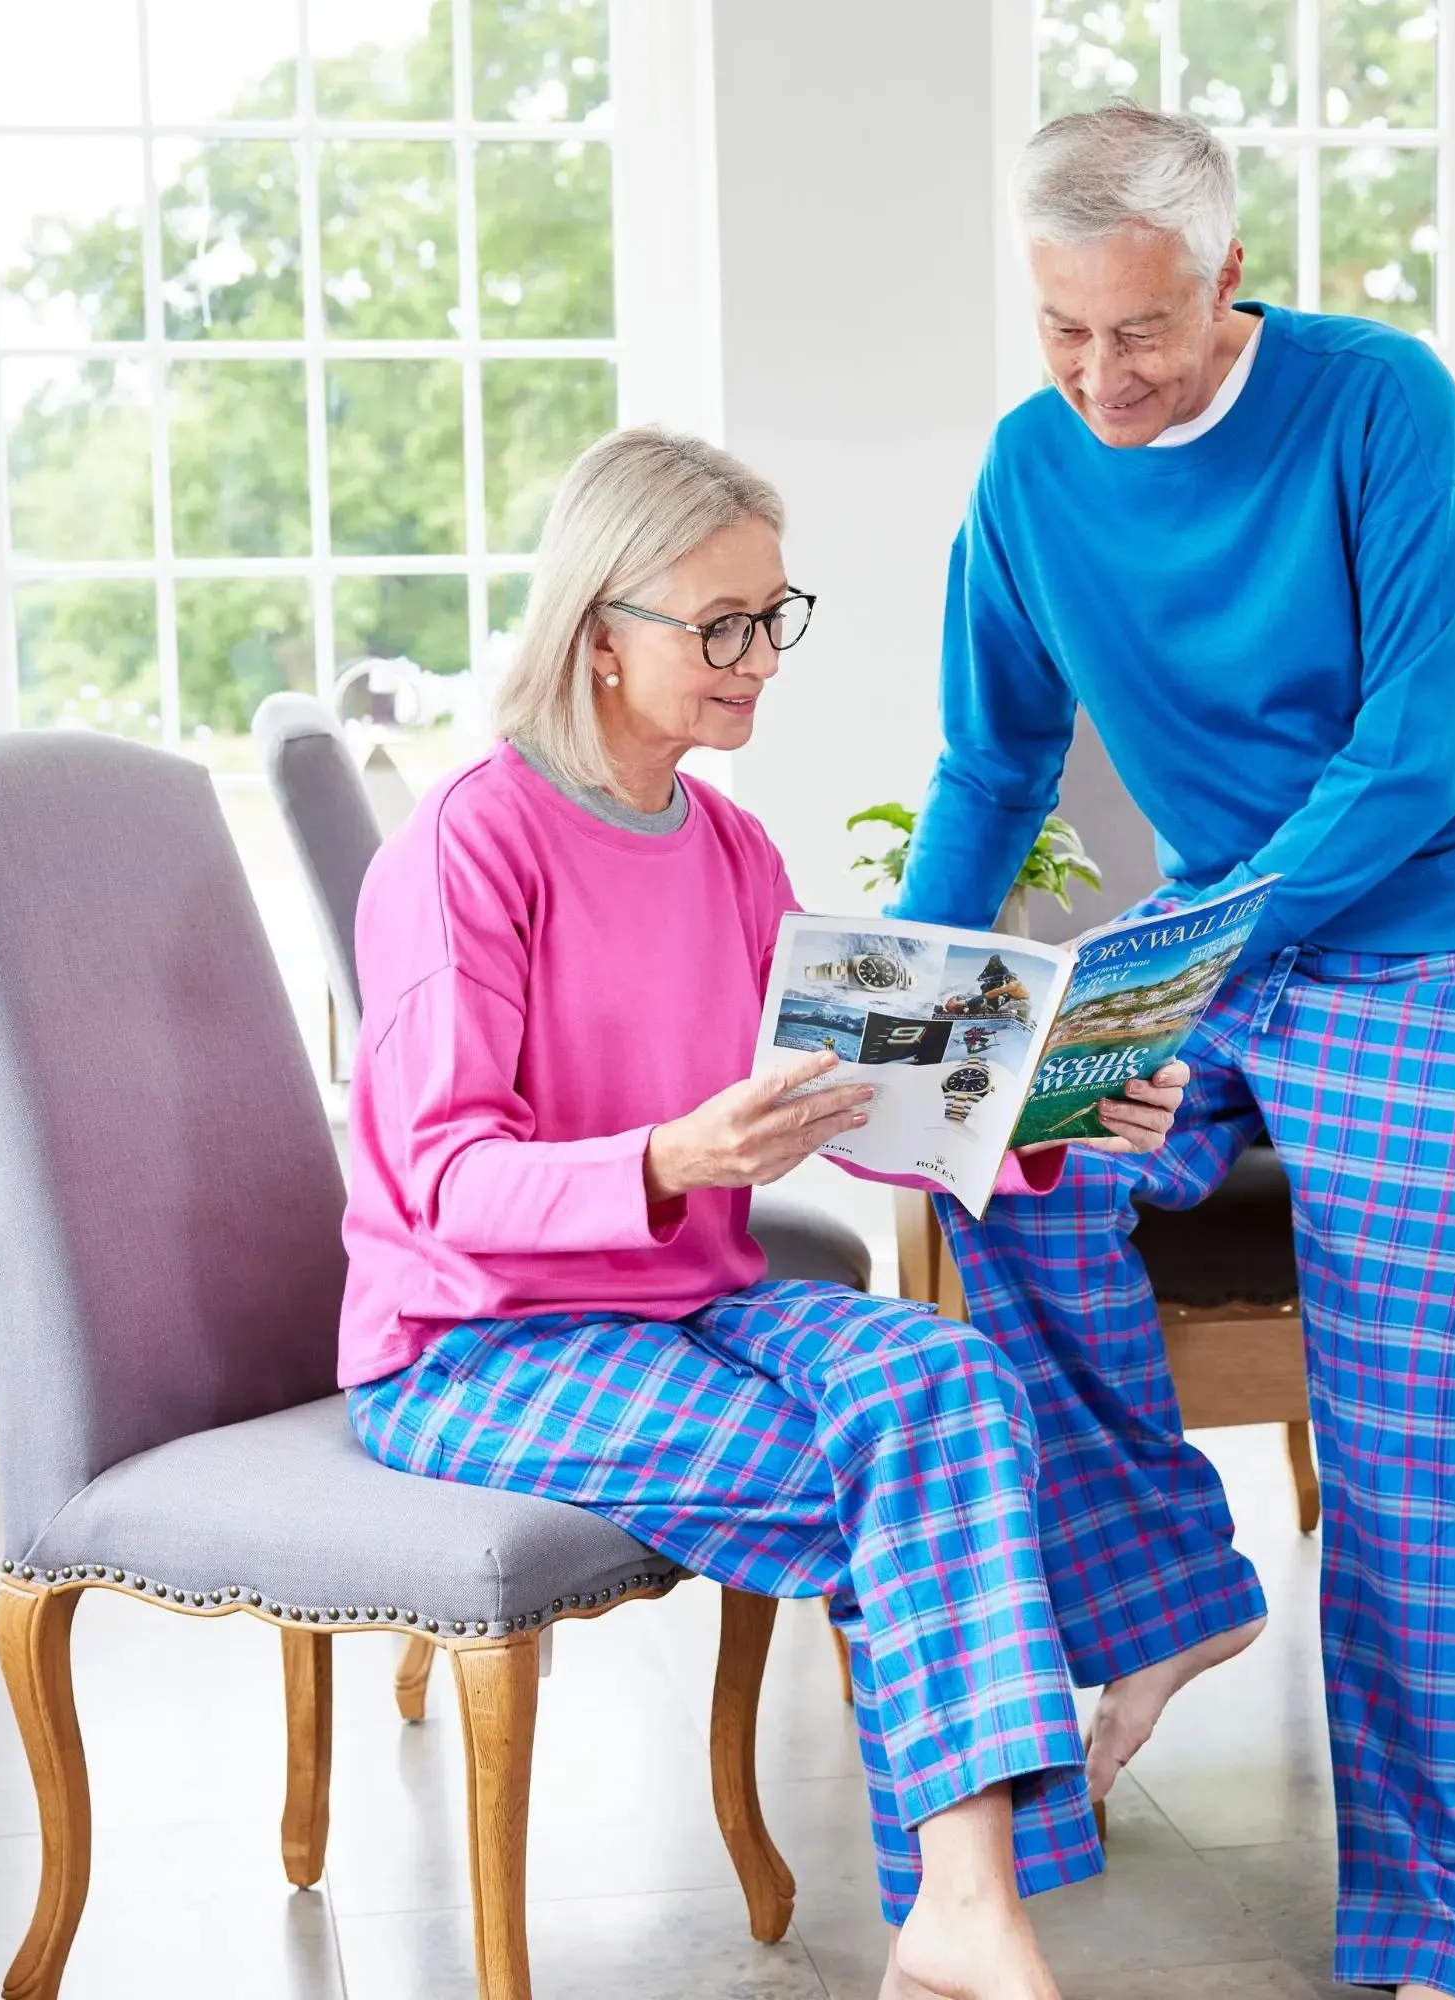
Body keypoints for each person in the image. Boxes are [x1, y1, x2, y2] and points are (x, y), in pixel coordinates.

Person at [889, 105, 1455, 2000]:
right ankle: (1166, 1591)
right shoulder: (1033, 470)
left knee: (1414, 1429)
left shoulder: (1381, 403)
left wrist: (1193, 973)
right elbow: (992, 765)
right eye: (1059, 329)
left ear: (1227, 279)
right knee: (997, 1166)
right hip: (1228, 941)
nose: (1097, 374)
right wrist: (924, 1041)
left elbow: (1415, 759)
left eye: (1137, 330)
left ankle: (1437, 1941)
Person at [338, 426, 1192, 2000]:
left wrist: (1052, 1121)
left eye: (772, 618)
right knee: (930, 1481)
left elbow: (852, 1112)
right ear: (601, 635)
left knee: (948, 1385)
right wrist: (666, 1159)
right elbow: (438, 1180)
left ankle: (961, 1910)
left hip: (686, 1309)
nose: (759, 661)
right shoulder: (470, 846)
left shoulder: (734, 852)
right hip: (474, 1348)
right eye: (721, 628)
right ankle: (972, 1907)